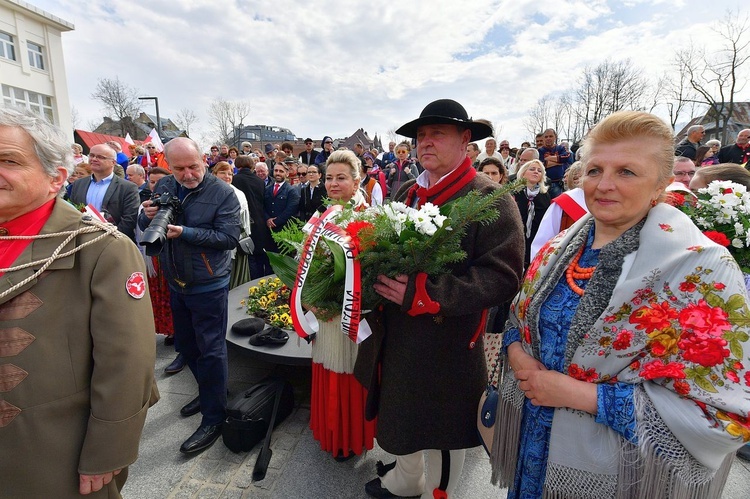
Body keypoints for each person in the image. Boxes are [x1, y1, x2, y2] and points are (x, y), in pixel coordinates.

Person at [492, 111, 750, 499]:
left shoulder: (700, 268)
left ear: (662, 184)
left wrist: (581, 396)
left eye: (627, 172)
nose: (605, 185)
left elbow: (724, 414)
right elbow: (519, 316)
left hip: (619, 474)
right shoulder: (559, 248)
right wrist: (516, 352)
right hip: (534, 453)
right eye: (595, 170)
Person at [355, 99, 525, 499]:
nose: (425, 142)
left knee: (441, 425)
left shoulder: (491, 198)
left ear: (466, 140)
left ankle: (439, 493)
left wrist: (428, 295)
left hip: (445, 338)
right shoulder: (406, 190)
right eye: (420, 136)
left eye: (437, 134)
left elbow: (503, 278)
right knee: (401, 409)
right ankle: (406, 479)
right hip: (396, 330)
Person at [0, 106, 157, 497]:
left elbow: (127, 363)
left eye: (9, 160)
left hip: (54, 455)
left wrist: (107, 453)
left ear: (55, 179)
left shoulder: (101, 250)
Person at [139, 137, 241, 455]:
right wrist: (146, 214)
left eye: (193, 166)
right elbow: (147, 224)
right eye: (179, 168)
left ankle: (214, 417)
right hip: (177, 281)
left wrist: (186, 233)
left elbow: (228, 238)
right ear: (169, 165)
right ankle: (211, 391)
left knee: (211, 351)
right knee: (186, 346)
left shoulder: (223, 193)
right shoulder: (165, 185)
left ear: (203, 160)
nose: (187, 174)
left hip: (208, 284)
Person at [301, 150, 378, 462]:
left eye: (341, 177)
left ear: (357, 180)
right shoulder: (321, 217)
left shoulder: (371, 218)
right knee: (328, 368)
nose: (333, 183)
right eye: (329, 177)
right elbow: (303, 263)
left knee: (351, 372)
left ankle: (350, 437)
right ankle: (330, 431)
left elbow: (374, 269)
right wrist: (310, 300)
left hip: (355, 314)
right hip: (325, 314)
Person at [68, 143, 140, 242]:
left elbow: (129, 219)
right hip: (82, 241)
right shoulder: (78, 184)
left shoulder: (128, 188)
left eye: (100, 157)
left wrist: (110, 239)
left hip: (114, 242)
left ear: (113, 162)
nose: (94, 159)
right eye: (92, 155)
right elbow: (73, 212)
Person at [213, 161, 252, 288]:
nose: (227, 176)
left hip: (235, 242)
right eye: (222, 173)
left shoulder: (239, 194)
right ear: (214, 174)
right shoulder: (208, 193)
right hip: (214, 241)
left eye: (230, 173)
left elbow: (244, 223)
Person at [232, 155, 271, 279]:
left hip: (244, 222)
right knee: (259, 254)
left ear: (238, 165)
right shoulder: (259, 181)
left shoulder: (235, 180)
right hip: (259, 220)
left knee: (248, 256)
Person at [514, 159, 551, 268]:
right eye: (532, 169)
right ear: (523, 172)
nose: (536, 172)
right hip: (517, 237)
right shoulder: (515, 192)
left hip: (536, 239)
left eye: (539, 171)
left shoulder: (545, 195)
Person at [264, 156, 300, 253]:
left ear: (287, 174)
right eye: (276, 171)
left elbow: (291, 210)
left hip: (284, 231)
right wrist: (267, 219)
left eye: (281, 171)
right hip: (268, 232)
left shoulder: (291, 191)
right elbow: (263, 206)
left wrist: (275, 222)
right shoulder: (267, 189)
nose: (278, 173)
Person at [537, 128, 570, 199]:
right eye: (546, 137)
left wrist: (548, 158)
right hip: (544, 183)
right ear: (543, 138)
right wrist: (558, 161)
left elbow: (566, 157)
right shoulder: (540, 151)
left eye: (550, 136)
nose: (548, 138)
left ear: (555, 137)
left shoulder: (560, 148)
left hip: (558, 183)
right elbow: (541, 165)